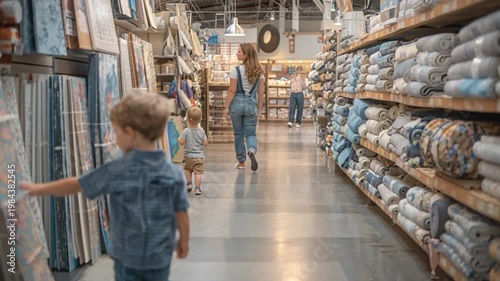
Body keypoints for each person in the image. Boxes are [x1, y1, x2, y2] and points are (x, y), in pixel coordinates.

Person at [21, 92, 190, 281]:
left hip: (126, 258)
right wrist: (183, 240)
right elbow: (181, 213)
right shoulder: (174, 174)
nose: (115, 137)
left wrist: (37, 189)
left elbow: (77, 184)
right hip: (160, 257)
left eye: (116, 132)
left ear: (129, 133)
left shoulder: (117, 170)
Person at [223, 43, 265, 172]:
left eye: (239, 52)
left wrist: (226, 107)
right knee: (251, 133)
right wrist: (259, 109)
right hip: (251, 105)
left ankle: (241, 162)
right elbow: (260, 93)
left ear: (246, 55)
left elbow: (232, 91)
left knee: (238, 134)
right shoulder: (260, 73)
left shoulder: (235, 71)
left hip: (237, 105)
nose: (237, 53)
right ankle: (251, 150)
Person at [178, 107, 208, 195]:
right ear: (200, 119)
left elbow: (181, 142)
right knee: (198, 173)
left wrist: (178, 139)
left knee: (187, 170)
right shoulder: (201, 131)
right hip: (199, 157)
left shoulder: (186, 131)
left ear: (187, 119)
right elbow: (205, 143)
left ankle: (189, 184)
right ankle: (197, 189)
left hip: (188, 156)